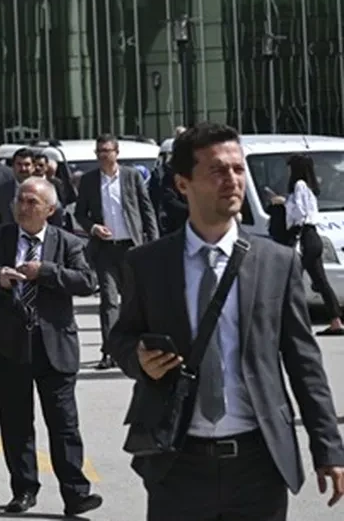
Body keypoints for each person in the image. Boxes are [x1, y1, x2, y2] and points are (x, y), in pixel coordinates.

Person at [108, 122, 344, 520]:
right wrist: (138, 358)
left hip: (258, 463)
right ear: (183, 184)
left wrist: (328, 448)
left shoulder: (277, 262)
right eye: (217, 171)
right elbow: (122, 336)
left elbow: (305, 364)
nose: (232, 180)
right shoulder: (149, 263)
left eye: (238, 169)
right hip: (177, 464)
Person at [0, 176, 102, 517]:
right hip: (8, 345)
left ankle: (76, 492)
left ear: (50, 209)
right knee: (16, 423)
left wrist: (45, 271)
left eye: (32, 202)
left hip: (54, 346)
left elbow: (87, 282)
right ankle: (24, 489)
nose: (24, 208)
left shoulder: (68, 243)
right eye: (20, 201)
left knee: (64, 424)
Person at [74, 134, 159, 370]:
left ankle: (138, 349)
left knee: (134, 301)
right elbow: (80, 213)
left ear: (116, 152)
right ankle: (109, 352)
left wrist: (153, 244)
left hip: (131, 247)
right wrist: (92, 228)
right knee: (109, 302)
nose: (102, 156)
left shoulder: (131, 176)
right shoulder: (90, 180)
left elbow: (146, 209)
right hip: (105, 250)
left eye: (107, 151)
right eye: (99, 151)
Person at [271, 153, 344, 336]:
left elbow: (300, 214)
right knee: (320, 281)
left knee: (290, 281)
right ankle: (336, 321)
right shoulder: (311, 187)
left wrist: (282, 203)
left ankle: (288, 322)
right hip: (313, 237)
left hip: (303, 238)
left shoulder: (300, 185)